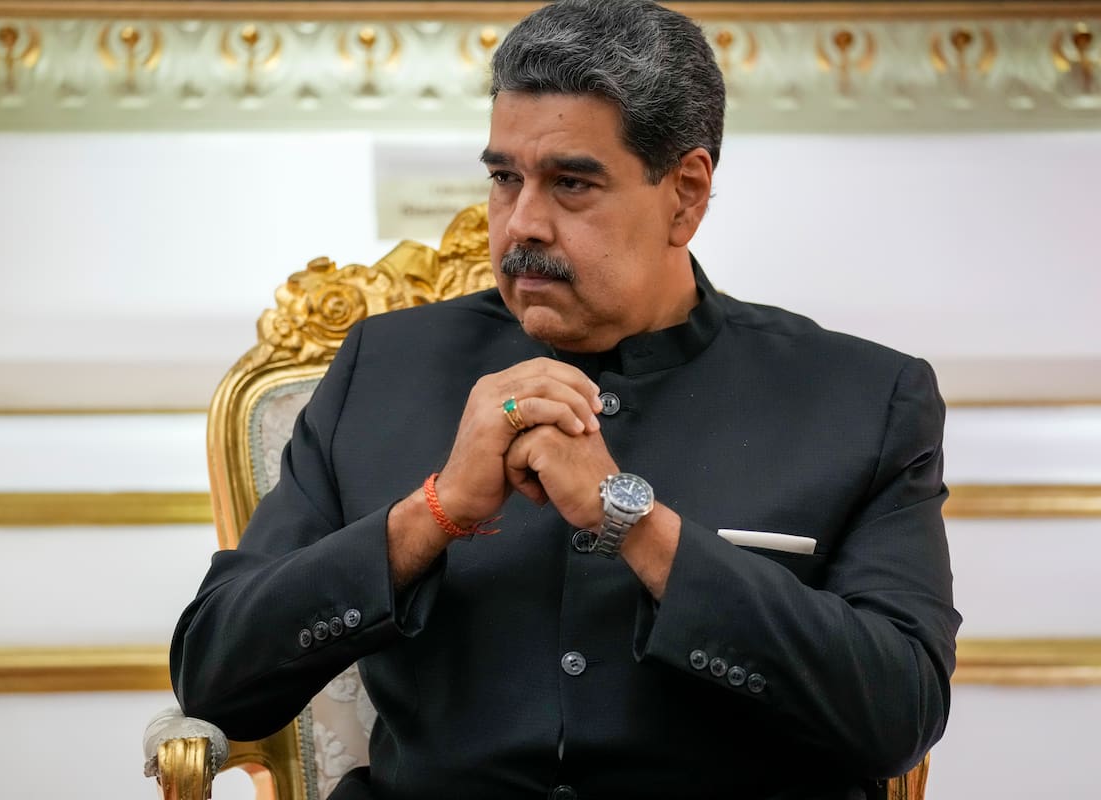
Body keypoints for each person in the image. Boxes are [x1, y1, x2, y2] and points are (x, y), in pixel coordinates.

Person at [170, 2, 961, 798]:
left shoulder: (862, 399)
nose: (522, 224)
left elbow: (896, 711)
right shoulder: (383, 368)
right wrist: (434, 514)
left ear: (684, 195)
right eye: (504, 179)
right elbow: (215, 677)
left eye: (572, 184)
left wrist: (637, 527)